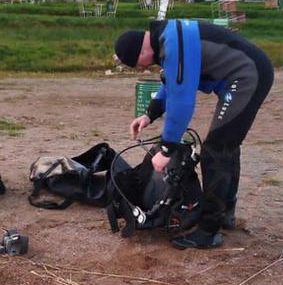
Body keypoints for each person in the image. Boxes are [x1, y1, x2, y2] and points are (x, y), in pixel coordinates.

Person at [114, 20, 274, 249]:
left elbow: (182, 101)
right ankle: (224, 213)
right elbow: (172, 82)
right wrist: (149, 115)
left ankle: (209, 231)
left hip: (247, 76)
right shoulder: (168, 37)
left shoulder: (172, 43)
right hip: (249, 72)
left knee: (215, 150)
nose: (141, 68)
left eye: (136, 64)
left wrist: (166, 148)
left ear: (141, 51)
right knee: (226, 145)